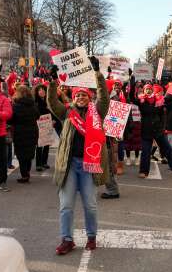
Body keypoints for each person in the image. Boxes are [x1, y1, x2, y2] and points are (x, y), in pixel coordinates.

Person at [46, 57, 110, 255]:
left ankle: (91, 236)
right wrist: (52, 81)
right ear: (73, 98)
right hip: (70, 166)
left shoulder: (97, 111)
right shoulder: (66, 113)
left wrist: (98, 74)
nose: (81, 97)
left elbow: (104, 98)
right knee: (66, 206)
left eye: (84, 95)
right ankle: (67, 239)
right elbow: (51, 102)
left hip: (89, 165)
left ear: (88, 97)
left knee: (90, 205)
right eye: (78, 95)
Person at [9, 85, 40, 183]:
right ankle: (27, 172)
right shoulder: (33, 104)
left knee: (21, 155)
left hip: (20, 132)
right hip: (32, 131)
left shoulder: (15, 106)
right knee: (29, 154)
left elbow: (11, 120)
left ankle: (24, 175)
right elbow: (37, 116)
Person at [33, 84, 51, 172]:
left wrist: (54, 120)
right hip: (39, 125)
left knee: (47, 144)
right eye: (40, 90)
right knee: (39, 145)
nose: (42, 91)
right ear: (37, 92)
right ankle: (38, 164)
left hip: (48, 123)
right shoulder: (35, 102)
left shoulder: (49, 101)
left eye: (43, 90)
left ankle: (44, 162)